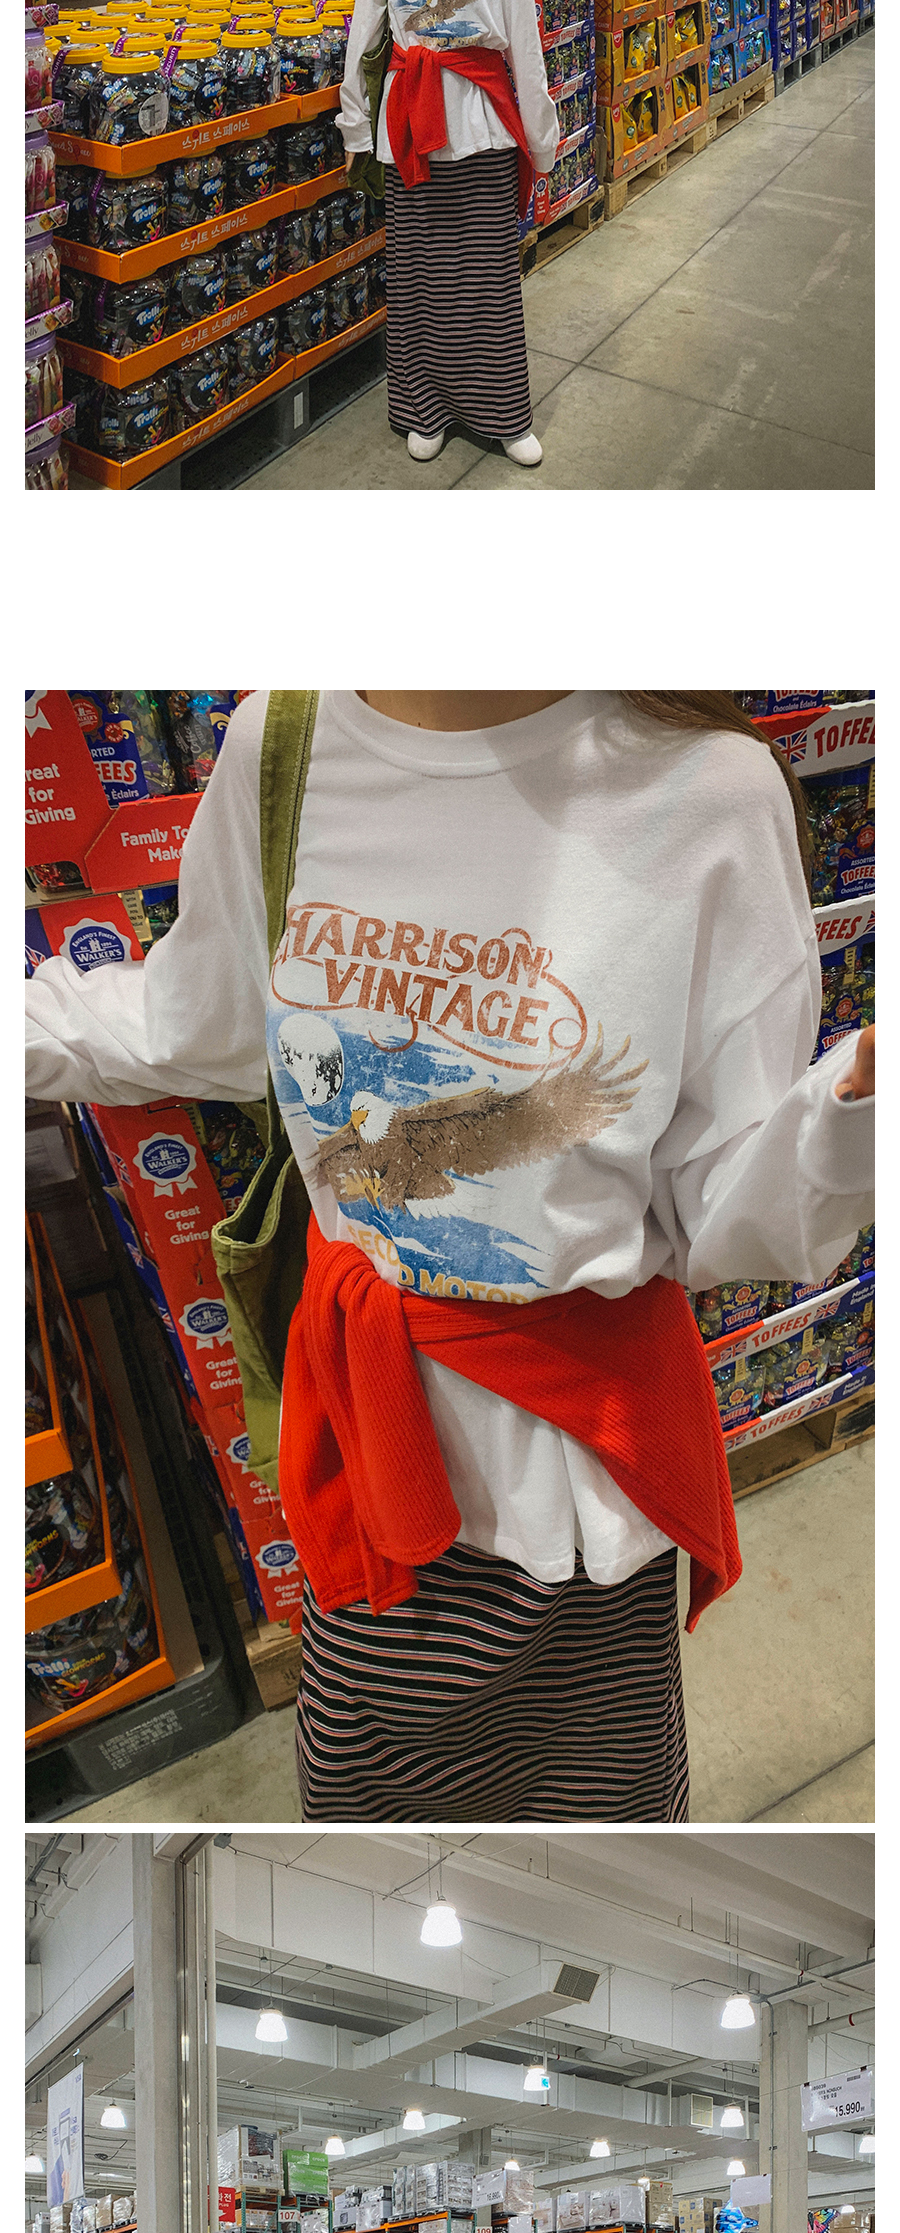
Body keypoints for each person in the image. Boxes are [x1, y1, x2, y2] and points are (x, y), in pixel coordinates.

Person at [24, 686, 875, 1827]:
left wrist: (849, 1121)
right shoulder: (285, 741)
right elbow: (206, 1019)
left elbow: (722, 1208)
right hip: (365, 1438)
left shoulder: (706, 791)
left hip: (574, 1480)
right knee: (368, 1814)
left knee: (597, 1822)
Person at [339, 0, 559, 466]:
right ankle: (424, 408)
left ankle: (503, 414)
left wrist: (541, 136)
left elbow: (524, 37)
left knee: (489, 277)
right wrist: (354, 123)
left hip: (480, 122)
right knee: (418, 277)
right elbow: (365, 32)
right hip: (410, 124)